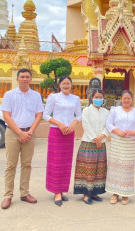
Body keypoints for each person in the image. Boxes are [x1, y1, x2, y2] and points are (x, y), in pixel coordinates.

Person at [0, 68, 44, 209]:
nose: (25, 79)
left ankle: (24, 193)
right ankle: (8, 195)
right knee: (11, 165)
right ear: (17, 78)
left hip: (29, 133)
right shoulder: (10, 95)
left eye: (27, 77)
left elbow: (39, 115)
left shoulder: (36, 96)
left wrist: (29, 132)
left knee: (26, 164)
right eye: (22, 76)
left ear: (31, 79)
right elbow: (6, 115)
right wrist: (20, 132)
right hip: (13, 133)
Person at [43, 76, 82, 206]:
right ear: (59, 85)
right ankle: (56, 191)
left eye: (68, 83)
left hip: (69, 132)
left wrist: (73, 125)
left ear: (71, 85)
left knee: (66, 162)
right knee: (55, 162)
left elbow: (79, 115)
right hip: (56, 131)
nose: (66, 85)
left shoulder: (75, 99)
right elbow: (46, 115)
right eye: (63, 83)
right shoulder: (53, 97)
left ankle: (62, 189)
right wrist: (59, 124)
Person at [105, 90, 135, 205]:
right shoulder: (115, 110)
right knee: (115, 166)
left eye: (129, 98)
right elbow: (108, 123)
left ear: (132, 99)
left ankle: (125, 194)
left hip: (129, 143)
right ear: (121, 99)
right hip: (117, 141)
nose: (126, 100)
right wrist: (117, 131)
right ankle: (115, 193)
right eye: (124, 98)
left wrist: (133, 132)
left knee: (127, 167)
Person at [73, 89, 109, 205]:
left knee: (99, 168)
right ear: (92, 98)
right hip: (88, 143)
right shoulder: (87, 110)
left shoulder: (106, 112)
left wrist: (102, 136)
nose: (98, 99)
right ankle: (86, 193)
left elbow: (108, 125)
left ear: (103, 99)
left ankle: (94, 192)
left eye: (100, 97)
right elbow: (86, 125)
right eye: (96, 97)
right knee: (88, 168)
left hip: (101, 144)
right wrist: (95, 138)